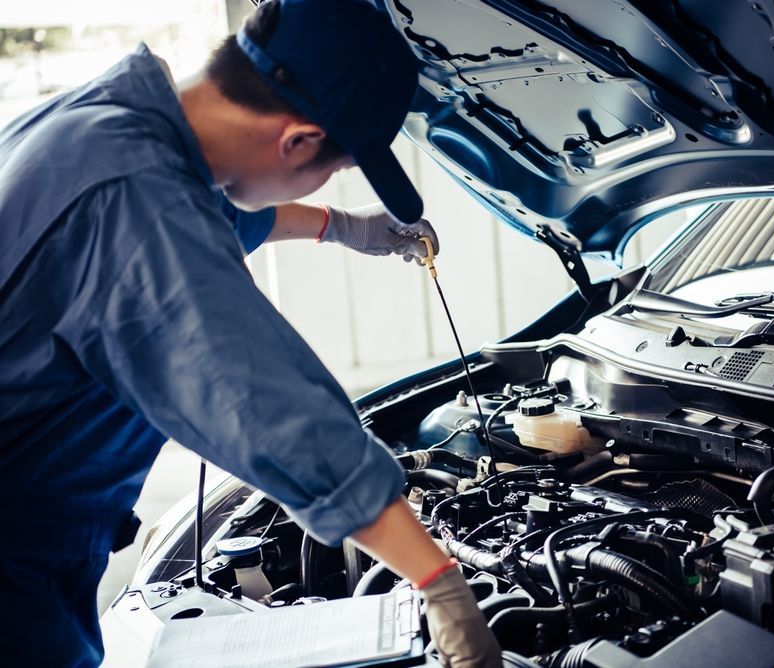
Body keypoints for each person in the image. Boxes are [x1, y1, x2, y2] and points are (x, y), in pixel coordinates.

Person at [0, 1, 502, 666]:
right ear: (296, 141)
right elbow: (264, 405)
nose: (327, 180)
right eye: (335, 166)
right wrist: (440, 584)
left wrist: (344, 227)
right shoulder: (133, 202)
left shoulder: (107, 118)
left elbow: (205, 208)